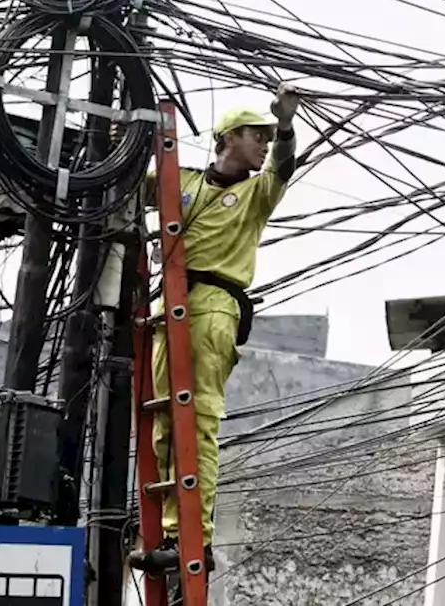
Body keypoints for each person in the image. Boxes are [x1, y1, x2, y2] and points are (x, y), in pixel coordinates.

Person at [129, 82, 300, 575]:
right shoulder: (179, 181)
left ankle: (191, 538)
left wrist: (286, 124)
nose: (264, 144)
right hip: (170, 305)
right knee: (164, 422)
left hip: (214, 306)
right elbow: (120, 187)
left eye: (268, 137)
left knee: (196, 421)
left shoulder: (255, 194)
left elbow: (282, 168)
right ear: (228, 138)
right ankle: (163, 531)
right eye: (256, 135)